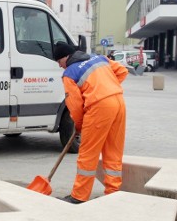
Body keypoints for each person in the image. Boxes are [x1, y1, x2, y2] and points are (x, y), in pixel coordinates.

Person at [52, 41, 129, 204]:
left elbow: (75, 105)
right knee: (113, 150)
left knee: (88, 153)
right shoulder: (99, 58)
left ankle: (79, 195)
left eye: (59, 62)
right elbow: (122, 71)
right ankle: (113, 192)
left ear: (65, 57)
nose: (60, 66)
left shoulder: (69, 73)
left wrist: (79, 125)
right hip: (119, 103)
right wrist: (107, 87)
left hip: (99, 108)